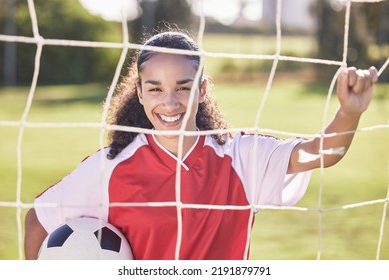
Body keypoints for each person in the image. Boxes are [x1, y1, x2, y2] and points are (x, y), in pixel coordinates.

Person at [24, 29, 378, 260]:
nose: (170, 102)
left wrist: (349, 112)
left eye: (183, 86)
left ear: (203, 90)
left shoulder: (242, 158)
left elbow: (323, 153)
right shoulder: (109, 168)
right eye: (156, 88)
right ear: (140, 93)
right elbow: (38, 221)